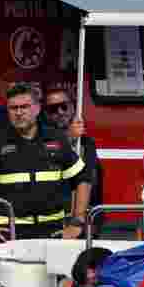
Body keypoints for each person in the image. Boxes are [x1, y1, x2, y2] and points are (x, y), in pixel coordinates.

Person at [0, 82, 91, 241]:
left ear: (37, 109)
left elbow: (83, 177)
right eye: (13, 108)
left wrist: (77, 222)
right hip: (11, 236)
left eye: (24, 107)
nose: (19, 112)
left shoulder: (56, 139)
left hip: (54, 233)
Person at [44, 85, 101, 237]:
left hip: (80, 222)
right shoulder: (40, 140)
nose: (60, 112)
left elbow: (91, 181)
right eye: (53, 109)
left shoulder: (86, 143)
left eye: (64, 106)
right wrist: (68, 138)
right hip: (52, 221)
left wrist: (91, 223)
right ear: (46, 114)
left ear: (72, 107)